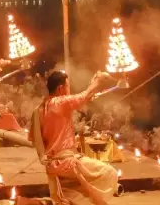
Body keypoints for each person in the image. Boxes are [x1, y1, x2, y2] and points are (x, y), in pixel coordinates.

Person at [28, 70, 118, 205]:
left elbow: (37, 140)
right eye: (67, 86)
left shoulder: (38, 110)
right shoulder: (59, 102)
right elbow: (83, 96)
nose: (69, 90)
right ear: (60, 88)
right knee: (109, 173)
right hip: (67, 162)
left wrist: (42, 157)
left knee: (76, 193)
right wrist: (98, 81)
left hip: (52, 165)